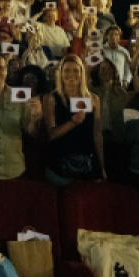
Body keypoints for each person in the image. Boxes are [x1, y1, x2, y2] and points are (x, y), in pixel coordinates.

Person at [44, 56, 107, 186]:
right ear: (60, 74)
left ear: (81, 73)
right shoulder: (51, 98)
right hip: (60, 166)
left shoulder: (93, 99)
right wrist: (73, 123)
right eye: (67, 70)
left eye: (75, 70)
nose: (71, 74)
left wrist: (101, 166)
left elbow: (97, 134)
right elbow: (51, 134)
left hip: (86, 165)